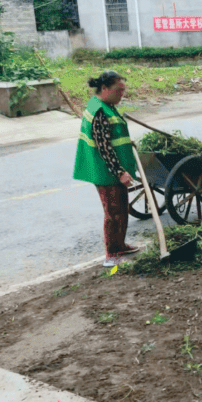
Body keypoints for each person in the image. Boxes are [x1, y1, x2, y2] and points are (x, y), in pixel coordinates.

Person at [73, 70, 141, 267]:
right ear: (104, 89)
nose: (122, 95)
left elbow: (112, 135)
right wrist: (120, 172)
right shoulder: (100, 111)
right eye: (118, 91)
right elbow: (104, 147)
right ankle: (111, 255)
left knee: (122, 209)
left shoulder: (104, 104)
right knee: (113, 213)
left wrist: (128, 141)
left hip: (110, 170)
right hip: (107, 172)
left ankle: (120, 245)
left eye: (123, 91)